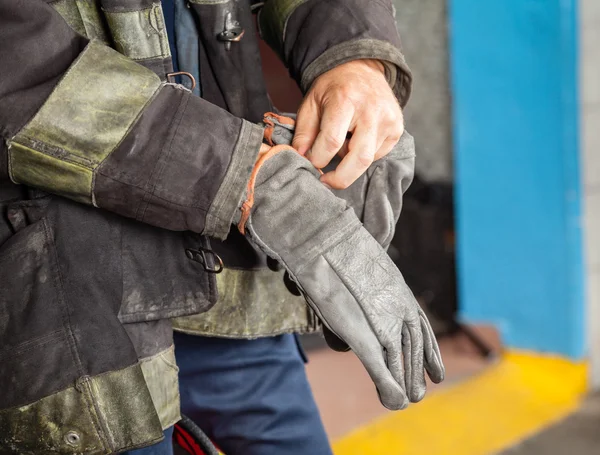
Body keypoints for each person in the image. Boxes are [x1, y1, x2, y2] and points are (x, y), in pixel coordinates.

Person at [0, 1, 444, 454]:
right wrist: (250, 178)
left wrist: (354, 59)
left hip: (229, 284)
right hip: (68, 299)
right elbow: (18, 70)